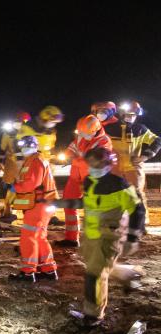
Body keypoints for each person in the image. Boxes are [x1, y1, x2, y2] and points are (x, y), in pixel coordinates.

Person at [56, 147, 145, 327]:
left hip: (109, 236)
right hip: (91, 235)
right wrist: (61, 202)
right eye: (91, 164)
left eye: (98, 164)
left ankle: (93, 315)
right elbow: (87, 201)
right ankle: (128, 273)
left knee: (94, 275)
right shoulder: (89, 181)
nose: (94, 168)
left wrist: (132, 238)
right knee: (97, 266)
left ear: (108, 164)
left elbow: (137, 210)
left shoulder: (120, 185)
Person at [58, 105, 117, 246]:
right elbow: (72, 147)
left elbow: (93, 160)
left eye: (85, 134)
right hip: (75, 176)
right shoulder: (82, 135)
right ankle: (71, 238)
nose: (82, 137)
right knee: (68, 203)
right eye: (80, 133)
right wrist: (67, 155)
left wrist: (75, 160)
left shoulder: (104, 142)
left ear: (95, 130)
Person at [0, 106, 63, 220]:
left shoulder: (51, 133)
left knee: (47, 189)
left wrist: (52, 162)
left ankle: (50, 215)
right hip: (20, 163)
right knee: (12, 187)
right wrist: (4, 162)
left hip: (42, 163)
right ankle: (3, 211)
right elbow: (9, 148)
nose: (52, 124)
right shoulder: (21, 131)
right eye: (51, 121)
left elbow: (50, 148)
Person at [8, 135, 59, 281]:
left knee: (28, 237)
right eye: (22, 146)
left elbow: (32, 183)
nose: (24, 148)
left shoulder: (35, 161)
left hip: (39, 205)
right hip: (43, 204)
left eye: (27, 145)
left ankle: (28, 272)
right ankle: (49, 270)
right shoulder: (35, 160)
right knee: (39, 237)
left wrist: (15, 187)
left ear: (34, 146)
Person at [108, 100, 159, 223]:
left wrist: (145, 156)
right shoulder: (110, 129)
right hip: (116, 168)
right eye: (128, 114)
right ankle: (116, 222)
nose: (131, 117)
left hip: (134, 167)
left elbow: (157, 141)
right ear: (121, 114)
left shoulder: (140, 129)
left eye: (133, 115)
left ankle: (140, 223)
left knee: (137, 194)